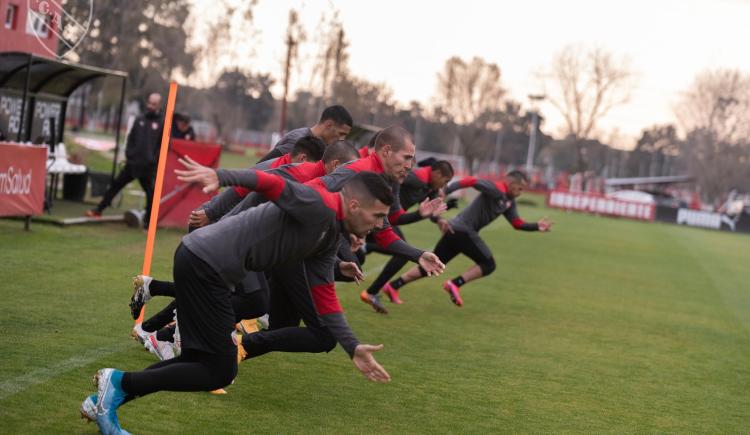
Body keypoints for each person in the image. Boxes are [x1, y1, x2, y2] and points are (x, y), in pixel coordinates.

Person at [82, 167, 396, 435]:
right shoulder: (319, 205)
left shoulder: (329, 233)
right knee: (220, 370)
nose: (380, 224)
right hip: (206, 264)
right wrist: (220, 175)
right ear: (354, 205)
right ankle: (118, 383)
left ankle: (108, 398)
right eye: (378, 215)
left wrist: (352, 347)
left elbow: (324, 296)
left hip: (203, 262)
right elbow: (273, 182)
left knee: (199, 361)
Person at [384, 170, 553, 307]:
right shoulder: (496, 188)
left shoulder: (508, 200)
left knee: (433, 265)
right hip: (463, 231)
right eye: (519, 188)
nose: (520, 193)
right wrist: (447, 190)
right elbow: (472, 181)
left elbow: (516, 223)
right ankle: (455, 284)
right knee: (489, 264)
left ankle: (393, 286)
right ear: (510, 183)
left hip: (454, 229)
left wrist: (536, 226)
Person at [360, 160, 456, 314]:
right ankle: (370, 290)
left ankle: (366, 252)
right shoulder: (415, 177)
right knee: (401, 253)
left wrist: (439, 220)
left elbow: (428, 209)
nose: (444, 186)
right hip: (378, 216)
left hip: (386, 221)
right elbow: (390, 180)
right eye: (445, 181)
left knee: (400, 252)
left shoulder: (428, 186)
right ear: (437, 174)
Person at [85, 93, 163, 228]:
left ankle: (147, 224)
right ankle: (98, 210)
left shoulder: (162, 123)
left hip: (148, 167)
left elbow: (162, 146)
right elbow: (130, 139)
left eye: (154, 104)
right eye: (149, 103)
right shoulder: (139, 119)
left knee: (151, 195)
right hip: (132, 164)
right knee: (115, 185)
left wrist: (153, 160)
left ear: (159, 105)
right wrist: (129, 155)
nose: (150, 106)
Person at [257, 105, 353, 163]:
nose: (342, 139)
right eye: (341, 133)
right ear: (328, 125)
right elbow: (262, 166)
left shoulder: (324, 147)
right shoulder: (297, 140)